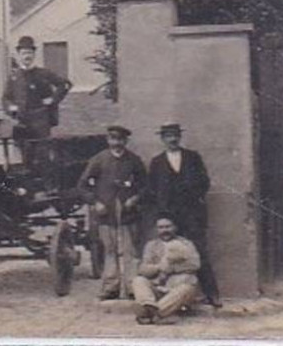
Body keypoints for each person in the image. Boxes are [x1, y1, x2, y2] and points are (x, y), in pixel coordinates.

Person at [146, 122, 221, 307]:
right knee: (169, 255)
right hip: (169, 216)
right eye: (168, 136)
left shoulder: (193, 158)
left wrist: (192, 198)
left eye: (175, 135)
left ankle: (212, 295)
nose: (172, 139)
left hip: (192, 215)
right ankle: (171, 297)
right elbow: (151, 189)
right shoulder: (157, 162)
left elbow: (204, 182)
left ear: (180, 137)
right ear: (163, 139)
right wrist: (163, 211)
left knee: (198, 253)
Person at [76, 124, 147, 300]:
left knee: (131, 250)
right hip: (106, 213)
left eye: (120, 139)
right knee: (109, 250)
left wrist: (135, 198)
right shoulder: (99, 160)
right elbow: (82, 186)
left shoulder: (133, 160)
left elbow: (146, 185)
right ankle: (111, 286)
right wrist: (95, 202)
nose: (117, 143)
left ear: (125, 141)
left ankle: (132, 287)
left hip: (128, 212)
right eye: (113, 139)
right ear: (108, 140)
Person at [132, 213, 203, 324]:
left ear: (175, 227)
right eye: (161, 227)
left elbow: (195, 265)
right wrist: (159, 267)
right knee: (139, 280)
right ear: (156, 229)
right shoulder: (151, 245)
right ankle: (149, 305)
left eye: (168, 227)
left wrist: (172, 268)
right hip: (158, 286)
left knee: (188, 288)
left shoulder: (186, 244)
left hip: (177, 289)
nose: (165, 230)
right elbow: (143, 269)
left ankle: (154, 313)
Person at [2, 35, 71, 143]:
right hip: (21, 122)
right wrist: (10, 107)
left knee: (42, 152)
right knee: (23, 154)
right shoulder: (14, 77)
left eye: (29, 53)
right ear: (19, 55)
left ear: (34, 55)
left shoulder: (43, 73)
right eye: (24, 53)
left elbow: (65, 84)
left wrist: (53, 99)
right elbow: (5, 98)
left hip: (40, 122)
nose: (27, 56)